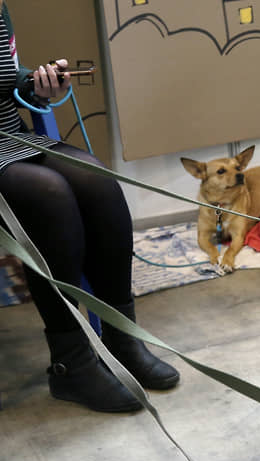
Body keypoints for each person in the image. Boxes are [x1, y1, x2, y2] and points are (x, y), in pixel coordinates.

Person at [0, 1, 179, 414]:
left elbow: (9, 76)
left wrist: (36, 84)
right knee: (49, 195)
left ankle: (122, 339)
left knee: (96, 178)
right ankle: (72, 365)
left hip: (9, 137)